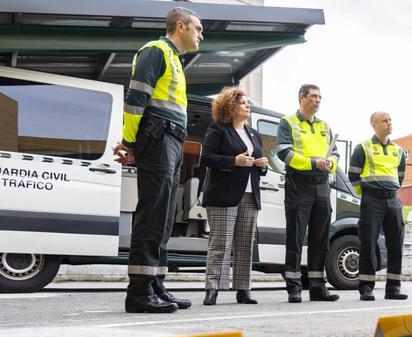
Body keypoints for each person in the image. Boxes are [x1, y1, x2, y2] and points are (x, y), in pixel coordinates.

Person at [113, 7, 203, 313]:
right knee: (152, 214)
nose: (200, 35)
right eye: (197, 29)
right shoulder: (156, 51)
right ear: (181, 26)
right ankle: (139, 293)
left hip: (172, 139)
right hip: (158, 136)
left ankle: (155, 285)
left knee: (164, 217)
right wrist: (129, 142)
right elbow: (135, 100)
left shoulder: (175, 60)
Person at [200, 88, 268, 306]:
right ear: (230, 107)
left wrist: (262, 165)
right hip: (223, 194)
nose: (248, 106)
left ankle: (243, 289)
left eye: (248, 102)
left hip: (250, 194)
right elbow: (207, 158)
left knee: (244, 244)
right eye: (243, 103)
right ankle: (213, 288)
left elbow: (256, 162)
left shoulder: (253, 134)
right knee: (221, 243)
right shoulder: (218, 129)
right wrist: (233, 161)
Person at [276, 84, 340, 303]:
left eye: (320, 97)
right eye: (313, 96)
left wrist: (330, 164)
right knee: (294, 238)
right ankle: (294, 287)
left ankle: (317, 287)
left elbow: (336, 154)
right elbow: (285, 153)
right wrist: (315, 163)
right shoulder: (288, 123)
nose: (318, 100)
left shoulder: (325, 126)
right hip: (298, 186)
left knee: (320, 239)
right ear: (301, 98)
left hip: (322, 186)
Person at [348, 112, 407, 301]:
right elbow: (353, 177)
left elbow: (400, 176)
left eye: (390, 120)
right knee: (368, 243)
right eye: (384, 121)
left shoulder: (398, 150)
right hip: (371, 200)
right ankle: (366, 287)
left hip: (393, 200)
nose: (389, 123)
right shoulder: (363, 147)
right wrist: (367, 194)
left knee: (396, 244)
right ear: (374, 124)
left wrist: (389, 191)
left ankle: (393, 289)